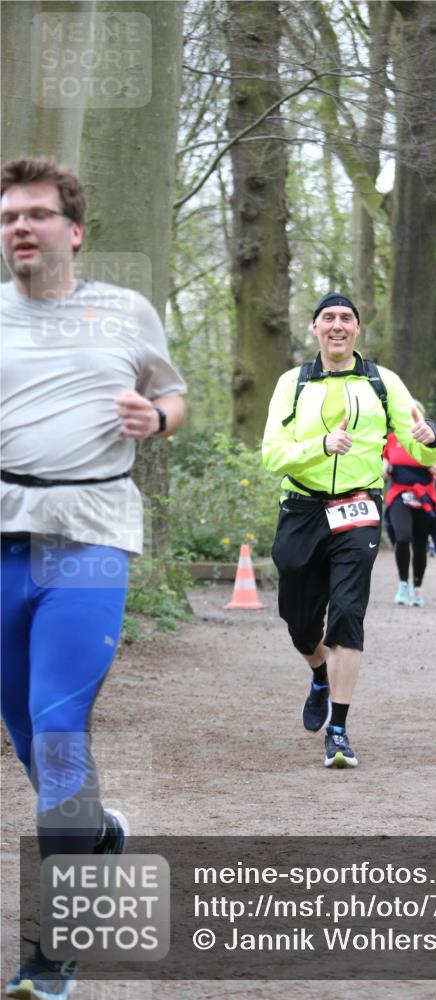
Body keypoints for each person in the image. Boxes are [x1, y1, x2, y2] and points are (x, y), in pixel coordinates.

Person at [1, 156, 186, 999]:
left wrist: (158, 419)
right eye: (9, 218)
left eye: (36, 214)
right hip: (3, 537)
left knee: (57, 723)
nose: (20, 228)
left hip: (89, 536)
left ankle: (62, 941)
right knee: (28, 735)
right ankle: (97, 835)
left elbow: (174, 395)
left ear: (72, 230)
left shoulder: (124, 311)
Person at [262, 291, 436, 769]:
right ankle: (318, 673)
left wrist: (431, 440)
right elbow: (271, 454)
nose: (338, 325)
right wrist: (321, 444)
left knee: (347, 613)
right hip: (301, 507)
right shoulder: (293, 383)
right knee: (300, 623)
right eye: (328, 318)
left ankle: (338, 731)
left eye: (346, 318)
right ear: (316, 329)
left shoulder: (383, 383)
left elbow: (420, 446)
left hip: (359, 508)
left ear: (357, 329)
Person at [383, 411, 436, 606]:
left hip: (423, 497)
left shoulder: (430, 438)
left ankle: (417, 587)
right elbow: (382, 470)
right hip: (399, 495)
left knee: (419, 545)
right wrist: (384, 469)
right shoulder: (392, 439)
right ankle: (402, 584)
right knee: (402, 537)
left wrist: (426, 463)